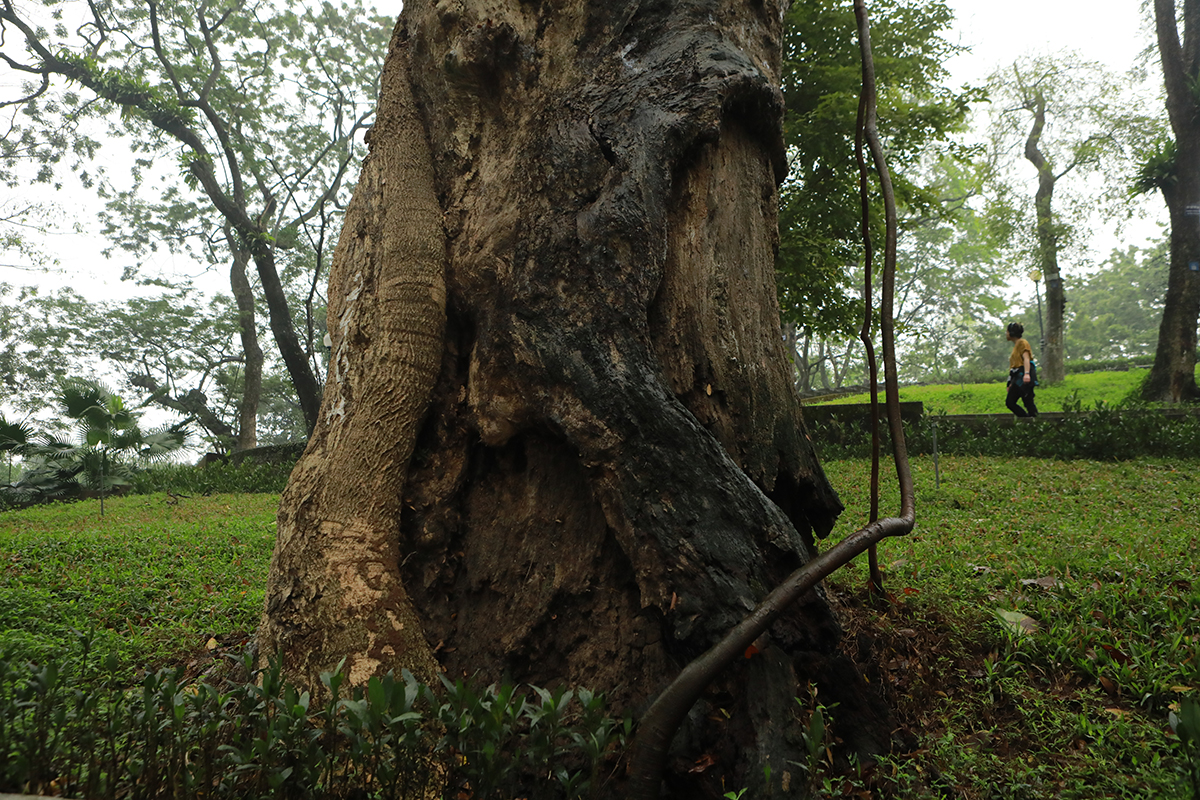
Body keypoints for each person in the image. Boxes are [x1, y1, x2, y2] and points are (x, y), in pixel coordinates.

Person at [1005, 322, 1038, 417]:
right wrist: (1010, 383)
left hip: (1022, 375)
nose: (1006, 334)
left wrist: (1026, 374)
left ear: (1011, 332)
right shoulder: (1016, 346)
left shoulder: (1022, 343)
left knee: (1018, 401)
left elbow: (1026, 358)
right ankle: (1030, 420)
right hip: (1017, 376)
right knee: (1025, 401)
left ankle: (1031, 421)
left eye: (1007, 331)